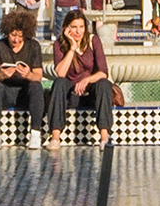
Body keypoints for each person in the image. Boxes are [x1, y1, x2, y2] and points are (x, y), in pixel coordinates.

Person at [0, 6, 53, 144]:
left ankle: (35, 134)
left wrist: (28, 74)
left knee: (36, 86)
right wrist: (2, 75)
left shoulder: (33, 46)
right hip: (6, 92)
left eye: (20, 36)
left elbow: (38, 76)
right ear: (6, 32)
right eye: (13, 35)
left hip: (26, 93)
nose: (16, 40)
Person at [49, 7, 116, 137]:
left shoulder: (93, 40)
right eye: (74, 27)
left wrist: (87, 80)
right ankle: (55, 136)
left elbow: (103, 72)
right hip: (70, 94)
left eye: (81, 27)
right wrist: (72, 48)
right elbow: (61, 73)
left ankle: (104, 136)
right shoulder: (59, 44)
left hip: (91, 93)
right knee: (59, 83)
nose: (78, 31)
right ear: (67, 28)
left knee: (104, 83)